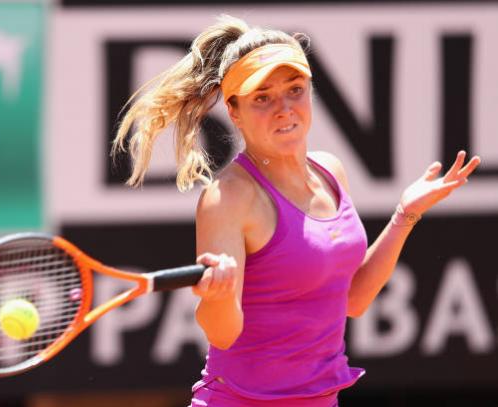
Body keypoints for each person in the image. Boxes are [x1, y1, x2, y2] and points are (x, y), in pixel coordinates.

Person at [112, 15, 481, 407]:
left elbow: (353, 300)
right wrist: (217, 295)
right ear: (234, 112)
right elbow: (222, 333)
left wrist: (404, 215)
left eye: (295, 89)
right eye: (262, 98)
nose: (284, 108)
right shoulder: (229, 198)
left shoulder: (331, 171)